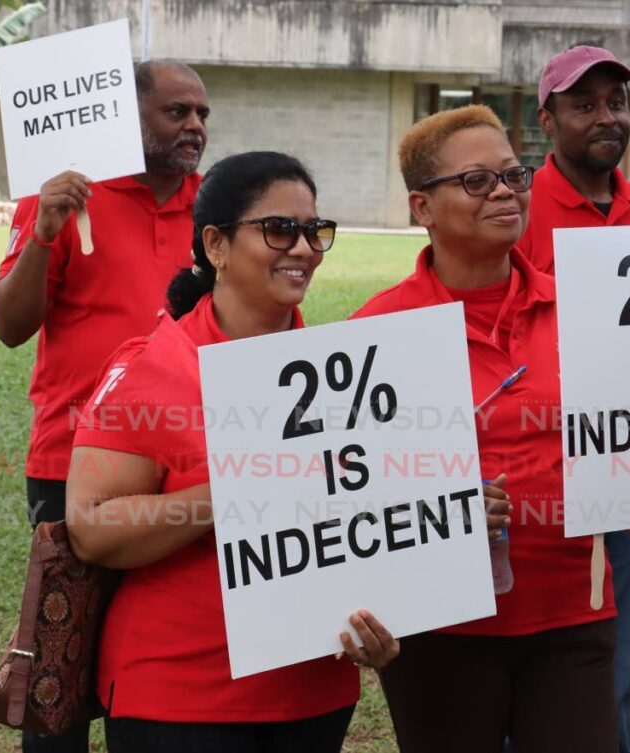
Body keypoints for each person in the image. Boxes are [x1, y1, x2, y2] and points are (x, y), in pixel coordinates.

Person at [353, 104, 630, 753]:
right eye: (478, 181)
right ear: (422, 208)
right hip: (439, 633)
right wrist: (435, 508)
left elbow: (627, 451)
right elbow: (346, 497)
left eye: (514, 175)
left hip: (572, 620)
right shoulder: (378, 329)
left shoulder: (590, 312)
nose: (506, 192)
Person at [65, 151, 399, 752]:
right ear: (216, 245)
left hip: (311, 693)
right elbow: (91, 527)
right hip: (178, 695)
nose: (302, 249)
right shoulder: (153, 367)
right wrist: (236, 494)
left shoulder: (342, 379)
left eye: (314, 232)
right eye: (279, 229)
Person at [0, 59, 209, 753]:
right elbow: (9, 323)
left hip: (179, 468)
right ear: (127, 115)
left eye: (202, 114)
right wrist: (45, 233)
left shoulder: (216, 208)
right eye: (178, 113)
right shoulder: (65, 198)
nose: (196, 127)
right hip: (70, 463)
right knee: (61, 676)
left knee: (157, 661)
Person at [516, 45, 630, 753]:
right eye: (585, 105)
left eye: (616, 103)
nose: (607, 117)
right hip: (540, 483)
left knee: (627, 662)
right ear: (546, 118)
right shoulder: (514, 211)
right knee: (539, 669)